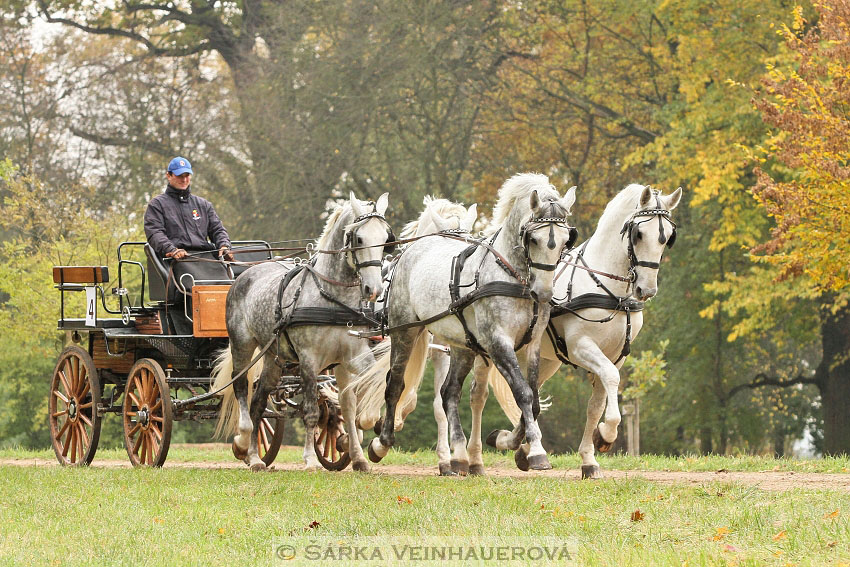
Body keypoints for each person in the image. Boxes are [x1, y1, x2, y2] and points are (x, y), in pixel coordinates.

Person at [144, 156, 233, 261]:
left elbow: (217, 229)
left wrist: (224, 245)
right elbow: (155, 233)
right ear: (169, 175)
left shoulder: (204, 205)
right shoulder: (157, 205)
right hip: (176, 260)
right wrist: (172, 250)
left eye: (187, 175)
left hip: (207, 258)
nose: (184, 180)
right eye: (180, 176)